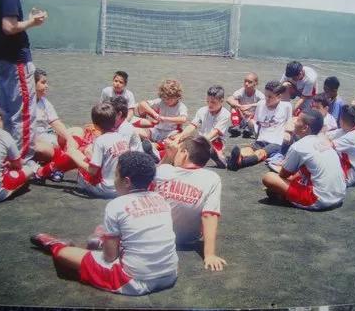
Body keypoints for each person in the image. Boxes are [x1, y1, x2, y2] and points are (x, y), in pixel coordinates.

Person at [30, 151, 178, 295]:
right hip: (170, 275)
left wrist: (105, 245)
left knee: (64, 254)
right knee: (104, 235)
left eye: (116, 175)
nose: (114, 180)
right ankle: (100, 242)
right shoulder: (161, 199)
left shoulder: (116, 205)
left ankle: (55, 244)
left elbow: (109, 257)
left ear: (126, 181)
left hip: (134, 281)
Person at [0, 0, 46, 161]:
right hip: (16, 61)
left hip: (3, 59)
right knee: (23, 114)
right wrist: (32, 22)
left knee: (7, 112)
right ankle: (21, 161)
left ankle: (7, 155)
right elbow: (9, 27)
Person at [151, 136, 227, 271]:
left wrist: (169, 157)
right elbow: (209, 214)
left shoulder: (164, 171)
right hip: (189, 238)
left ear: (184, 153)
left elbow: (152, 177)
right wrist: (209, 254)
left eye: (179, 151)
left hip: (158, 236)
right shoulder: (211, 178)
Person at [37, 102, 129, 198]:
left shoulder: (100, 141)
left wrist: (73, 155)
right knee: (86, 152)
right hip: (120, 188)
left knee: (76, 152)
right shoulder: (122, 138)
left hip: (103, 189)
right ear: (114, 120)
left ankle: (43, 172)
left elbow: (92, 171)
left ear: (95, 125)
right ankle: (48, 170)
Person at [262, 110, 346, 211]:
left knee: (269, 177)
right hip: (339, 195)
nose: (294, 122)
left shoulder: (299, 146)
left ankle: (284, 196)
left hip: (319, 199)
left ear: (305, 127)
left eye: (297, 120)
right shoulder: (324, 140)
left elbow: (283, 175)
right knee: (298, 174)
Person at [227, 81, 291, 171]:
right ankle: (236, 159)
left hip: (276, 142)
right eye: (265, 96)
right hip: (261, 139)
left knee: (260, 153)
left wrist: (287, 135)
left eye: (270, 97)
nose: (266, 99)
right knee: (248, 149)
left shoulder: (286, 107)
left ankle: (240, 163)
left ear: (279, 97)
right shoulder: (261, 105)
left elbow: (289, 123)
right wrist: (256, 140)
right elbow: (258, 124)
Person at [173, 85, 230, 169]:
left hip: (216, 141)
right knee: (179, 139)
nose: (209, 104)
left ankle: (219, 158)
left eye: (213, 102)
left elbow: (215, 133)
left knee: (198, 151)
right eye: (208, 101)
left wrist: (197, 143)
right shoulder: (202, 110)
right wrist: (180, 137)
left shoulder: (225, 114)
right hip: (201, 138)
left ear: (221, 101)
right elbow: (192, 126)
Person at [33, 69, 76, 171]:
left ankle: (61, 157)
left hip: (49, 136)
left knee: (77, 130)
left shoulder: (44, 101)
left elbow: (55, 122)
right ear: (32, 85)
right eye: (43, 83)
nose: (47, 86)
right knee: (41, 149)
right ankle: (63, 158)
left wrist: (69, 139)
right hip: (36, 141)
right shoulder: (23, 104)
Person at [327, 105, 355, 187]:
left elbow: (327, 145)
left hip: (350, 174)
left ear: (341, 121)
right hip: (347, 166)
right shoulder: (348, 130)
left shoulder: (351, 137)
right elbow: (327, 134)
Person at [226, 72, 265, 138]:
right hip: (241, 116)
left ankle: (249, 128)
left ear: (256, 83)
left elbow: (266, 103)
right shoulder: (241, 91)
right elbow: (229, 99)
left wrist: (250, 106)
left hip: (252, 118)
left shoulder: (258, 94)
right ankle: (236, 126)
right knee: (233, 105)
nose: (246, 84)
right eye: (245, 81)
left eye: (250, 82)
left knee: (262, 108)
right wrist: (239, 106)